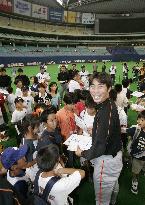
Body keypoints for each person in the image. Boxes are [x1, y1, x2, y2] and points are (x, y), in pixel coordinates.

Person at [75, 72, 123, 205]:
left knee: (101, 200)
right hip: (114, 156)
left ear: (108, 88)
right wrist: (96, 130)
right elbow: (109, 132)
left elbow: (100, 147)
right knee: (112, 186)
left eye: (100, 86)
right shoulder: (108, 104)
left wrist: (82, 154)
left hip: (106, 161)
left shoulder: (105, 111)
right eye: (92, 86)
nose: (95, 91)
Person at [127, 111, 145, 195]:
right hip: (137, 158)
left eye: (142, 120)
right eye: (138, 119)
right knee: (135, 172)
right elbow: (125, 131)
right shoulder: (136, 128)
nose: (138, 121)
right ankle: (135, 182)